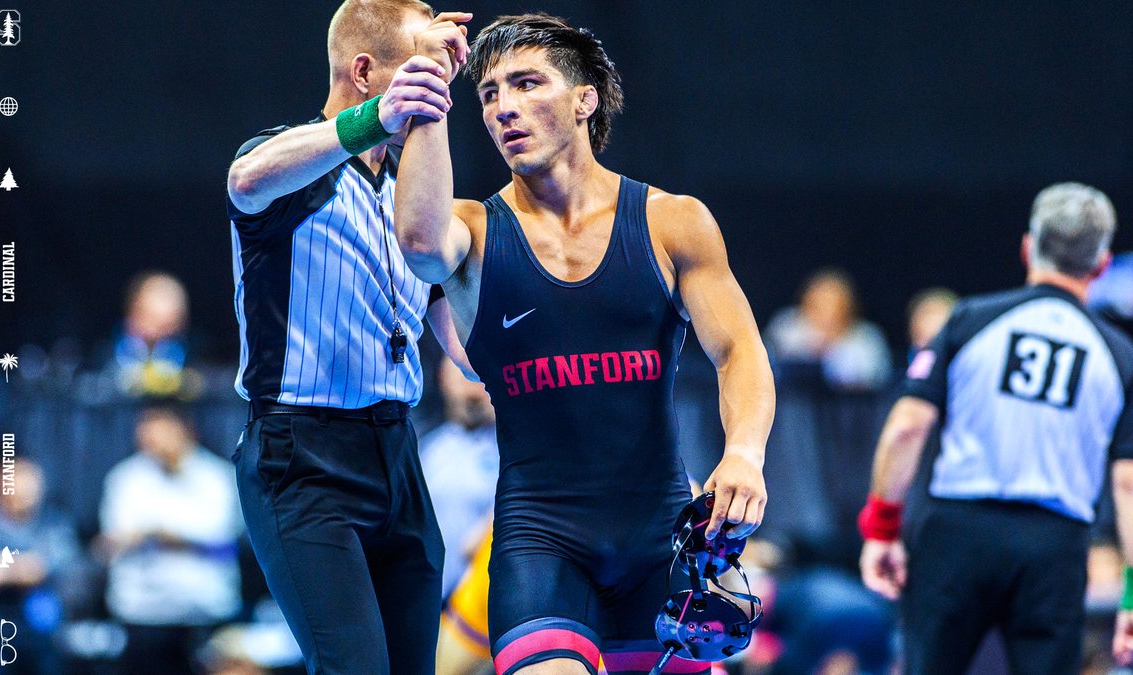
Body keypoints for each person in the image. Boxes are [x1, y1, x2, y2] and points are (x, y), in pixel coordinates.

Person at [393, 13, 775, 675]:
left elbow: (739, 350)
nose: (504, 107)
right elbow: (420, 244)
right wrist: (429, 91)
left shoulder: (671, 222)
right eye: (488, 93)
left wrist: (743, 453)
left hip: (660, 546)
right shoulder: (471, 231)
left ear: (583, 99)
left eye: (526, 83)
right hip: (540, 549)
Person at [224, 2, 473, 672]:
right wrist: (374, 122)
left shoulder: (407, 200)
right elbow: (244, 180)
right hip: (302, 458)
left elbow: (467, 350)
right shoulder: (292, 166)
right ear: (365, 72)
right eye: (418, 74)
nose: (431, 94)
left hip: (399, 452)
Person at [857, 182, 1133, 674]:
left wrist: (882, 527)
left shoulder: (971, 321)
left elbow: (906, 429)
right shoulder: (1122, 358)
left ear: (1027, 247)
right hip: (1055, 547)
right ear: (1101, 265)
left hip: (958, 534)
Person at [98, 404, 244, 675]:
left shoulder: (217, 476)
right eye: (145, 434)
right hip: (144, 615)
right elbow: (115, 538)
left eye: (158, 431)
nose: (150, 441)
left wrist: (157, 532)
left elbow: (220, 535)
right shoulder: (125, 478)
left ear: (184, 430)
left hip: (207, 613)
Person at [0, 459, 81, 675]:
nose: (27, 494)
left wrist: (3, 567)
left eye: (32, 486)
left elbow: (41, 567)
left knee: (44, 612)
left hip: (39, 616)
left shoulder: (54, 522)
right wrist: (21, 566)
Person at [419, 356, 499, 598]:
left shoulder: (513, 452)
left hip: (479, 609)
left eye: (479, 378)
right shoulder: (427, 447)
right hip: (432, 601)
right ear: (443, 377)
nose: (472, 388)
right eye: (463, 375)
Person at [764, 269, 892, 391]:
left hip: (851, 410)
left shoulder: (867, 337)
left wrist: (834, 351)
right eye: (819, 306)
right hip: (792, 408)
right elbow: (766, 363)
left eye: (836, 306)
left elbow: (876, 376)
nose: (828, 314)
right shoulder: (786, 327)